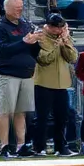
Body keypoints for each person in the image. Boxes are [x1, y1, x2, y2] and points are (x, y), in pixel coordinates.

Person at [0, 0, 42, 159]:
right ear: (7, 9)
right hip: (7, 74)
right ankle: (4, 146)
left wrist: (36, 43)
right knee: (5, 111)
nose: (20, 9)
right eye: (16, 7)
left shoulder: (25, 25)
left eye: (21, 6)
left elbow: (32, 50)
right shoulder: (0, 28)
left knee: (21, 112)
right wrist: (24, 42)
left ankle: (21, 145)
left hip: (26, 73)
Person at [31, 14, 79, 156]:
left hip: (62, 83)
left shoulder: (63, 37)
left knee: (62, 117)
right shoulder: (39, 37)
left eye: (61, 28)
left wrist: (65, 42)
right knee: (42, 118)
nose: (59, 31)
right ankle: (39, 147)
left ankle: (61, 147)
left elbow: (72, 57)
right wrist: (56, 47)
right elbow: (43, 59)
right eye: (57, 28)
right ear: (49, 26)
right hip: (44, 82)